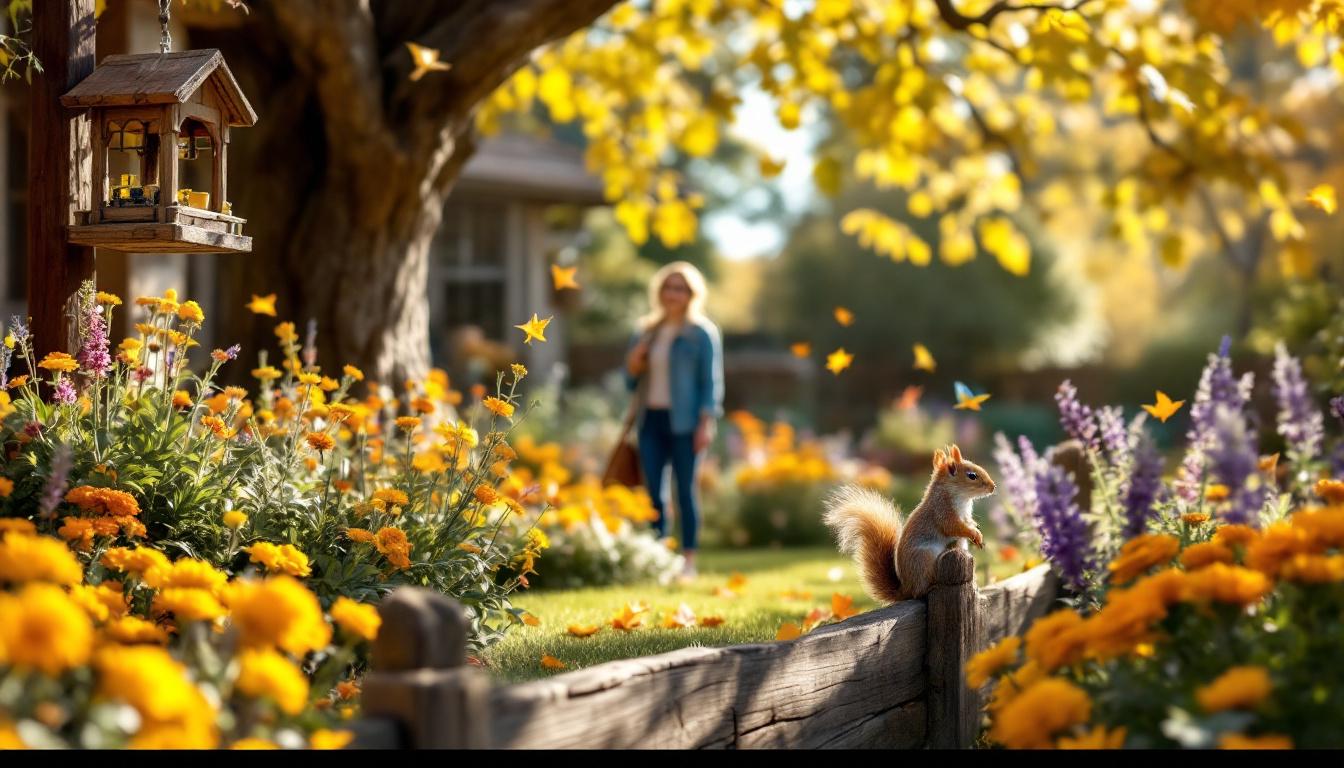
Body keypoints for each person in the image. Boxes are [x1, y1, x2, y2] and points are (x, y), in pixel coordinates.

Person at [624, 261, 723, 581]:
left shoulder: (702, 333)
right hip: (650, 420)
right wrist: (634, 363)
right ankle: (660, 559)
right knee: (654, 493)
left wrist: (706, 423)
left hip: (686, 423)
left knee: (685, 492)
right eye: (668, 287)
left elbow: (710, 383)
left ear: (692, 294)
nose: (673, 294)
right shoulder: (646, 331)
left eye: (680, 288)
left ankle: (688, 560)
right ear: (660, 292)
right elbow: (630, 381)